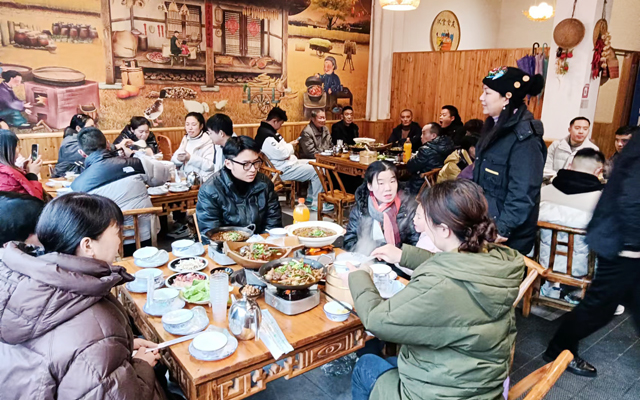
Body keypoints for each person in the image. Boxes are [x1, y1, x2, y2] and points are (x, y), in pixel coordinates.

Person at [349, 179, 524, 400]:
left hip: (439, 392)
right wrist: (404, 255)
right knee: (391, 361)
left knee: (366, 365)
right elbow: (455, 266)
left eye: (427, 220)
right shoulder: (495, 261)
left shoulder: (439, 284)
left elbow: (377, 320)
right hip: (481, 385)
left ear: (444, 229)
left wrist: (360, 276)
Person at [0, 193, 166, 399]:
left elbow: (65, 357)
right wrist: (141, 364)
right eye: (117, 232)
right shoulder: (95, 327)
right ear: (88, 245)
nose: (119, 240)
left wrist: (123, 346)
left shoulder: (26, 283)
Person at [543, 128, 640, 378]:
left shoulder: (546, 192)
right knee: (599, 308)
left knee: (604, 306)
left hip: (619, 241)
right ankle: (558, 348)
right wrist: (632, 247)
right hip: (625, 243)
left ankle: (558, 347)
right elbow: (631, 198)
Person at [473, 66, 546, 255]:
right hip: (485, 224)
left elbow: (523, 192)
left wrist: (502, 228)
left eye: (487, 92)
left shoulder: (525, 139)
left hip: (505, 236)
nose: (481, 98)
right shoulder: (494, 127)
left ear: (506, 97)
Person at [72, 127, 171, 257]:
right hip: (146, 235)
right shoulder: (134, 164)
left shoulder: (78, 186)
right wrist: (135, 155)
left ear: (82, 153)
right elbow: (164, 174)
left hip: (109, 245)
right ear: (108, 144)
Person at [538, 149, 605, 301]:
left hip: (543, 261)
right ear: (598, 171)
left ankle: (551, 286)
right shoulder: (601, 201)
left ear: (569, 166)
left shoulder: (544, 192)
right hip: (582, 267)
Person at [196, 136, 282, 242]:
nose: (253, 169)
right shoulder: (210, 190)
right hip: (226, 247)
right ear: (228, 164)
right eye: (246, 164)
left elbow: (273, 225)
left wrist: (261, 245)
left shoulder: (264, 183)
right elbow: (211, 235)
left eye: (256, 162)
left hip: (262, 245)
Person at [255, 108, 330, 212]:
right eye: (281, 123)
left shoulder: (267, 132)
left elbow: (283, 150)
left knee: (317, 164)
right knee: (317, 170)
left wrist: (287, 149)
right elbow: (283, 154)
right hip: (283, 170)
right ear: (275, 121)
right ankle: (317, 203)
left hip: (288, 163)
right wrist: (290, 147)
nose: (281, 126)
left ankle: (310, 196)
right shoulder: (267, 136)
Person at [344, 161, 419, 255]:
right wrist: (374, 251)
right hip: (369, 259)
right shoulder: (361, 208)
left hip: (400, 261)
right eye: (381, 183)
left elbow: (417, 246)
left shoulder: (409, 208)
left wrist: (397, 254)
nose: (388, 188)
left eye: (392, 181)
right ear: (370, 186)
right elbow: (349, 241)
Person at [406, 123, 454, 195]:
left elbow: (410, 167)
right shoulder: (448, 146)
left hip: (421, 186)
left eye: (424, 133)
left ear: (433, 136)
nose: (421, 136)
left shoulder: (426, 150)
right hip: (440, 186)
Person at [171, 112, 215, 182]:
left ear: (201, 126)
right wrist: (179, 159)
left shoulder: (207, 140)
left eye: (193, 124)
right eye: (187, 124)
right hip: (185, 179)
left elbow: (210, 166)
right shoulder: (186, 138)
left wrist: (190, 158)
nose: (190, 128)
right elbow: (173, 160)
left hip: (201, 181)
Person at [0, 129, 43, 199]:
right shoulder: (7, 177)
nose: (20, 148)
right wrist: (33, 174)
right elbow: (35, 200)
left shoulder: (6, 171)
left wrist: (25, 172)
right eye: (17, 146)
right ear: (8, 150)